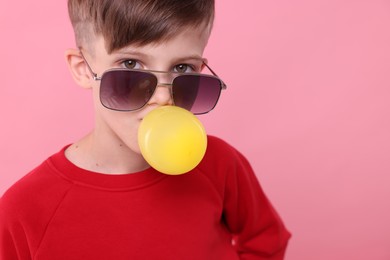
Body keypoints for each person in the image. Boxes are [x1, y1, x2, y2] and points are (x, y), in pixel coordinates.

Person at [0, 0, 291, 259]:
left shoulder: (219, 164)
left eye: (182, 68)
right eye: (130, 63)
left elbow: (266, 240)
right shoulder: (24, 211)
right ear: (83, 69)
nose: (163, 98)